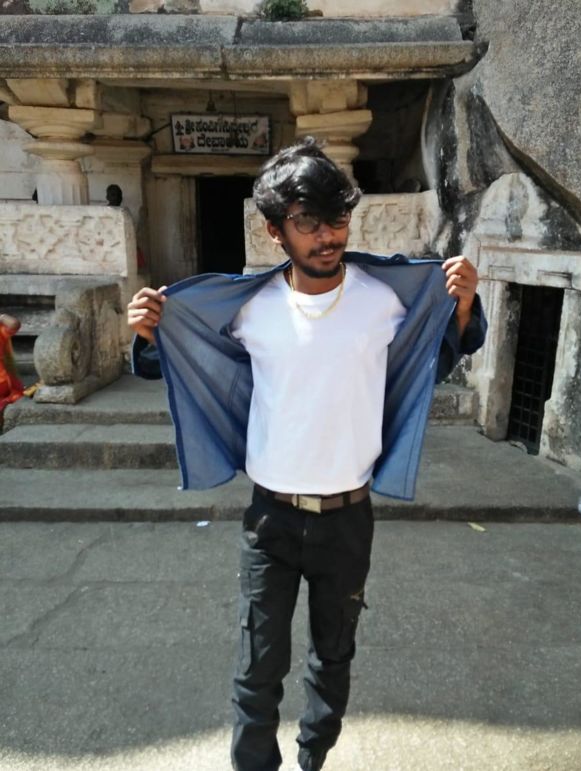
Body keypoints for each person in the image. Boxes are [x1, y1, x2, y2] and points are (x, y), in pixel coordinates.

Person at [128, 137, 486, 771]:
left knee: (334, 654)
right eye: (308, 222)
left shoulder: (385, 299)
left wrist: (461, 306)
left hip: (348, 520)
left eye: (337, 218)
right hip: (269, 519)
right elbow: (180, 359)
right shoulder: (250, 309)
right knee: (257, 666)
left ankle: (313, 758)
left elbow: (438, 356)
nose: (327, 236)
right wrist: (152, 331)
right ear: (275, 232)